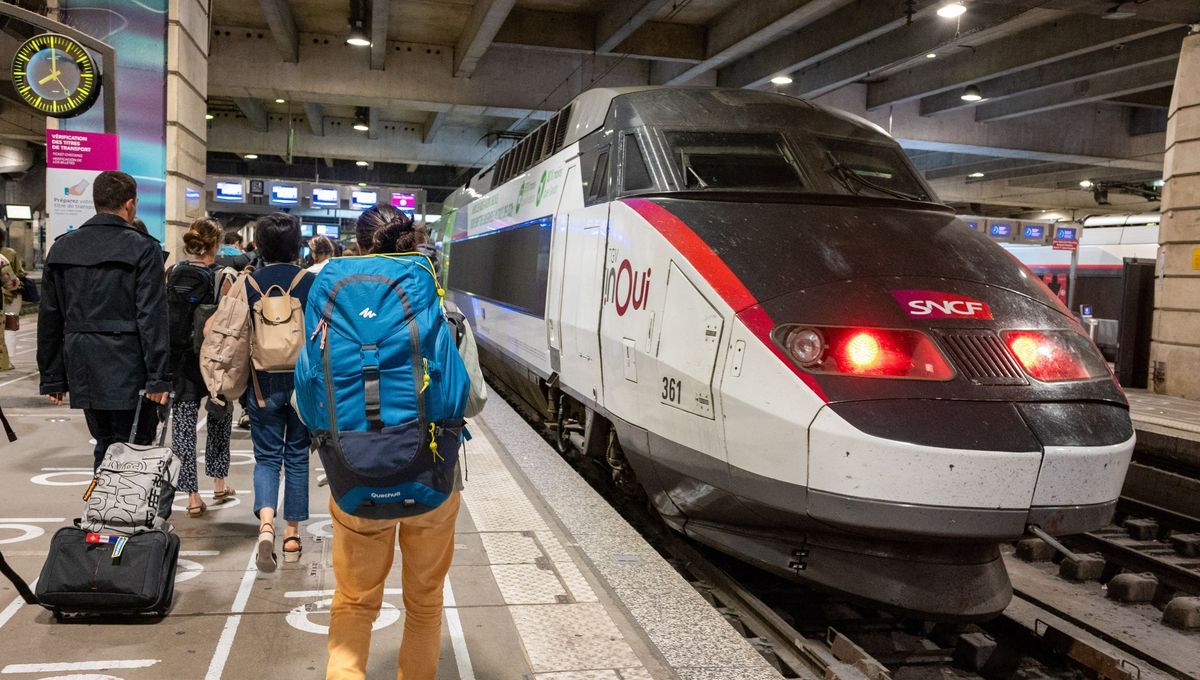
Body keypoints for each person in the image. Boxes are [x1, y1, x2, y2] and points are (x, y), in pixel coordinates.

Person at [324, 205, 487, 680]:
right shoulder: (446, 312)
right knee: (424, 604)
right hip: (432, 479)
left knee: (354, 602)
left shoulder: (334, 310)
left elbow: (305, 399)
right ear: (414, 244)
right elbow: (473, 399)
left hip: (354, 478)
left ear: (357, 249)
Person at [38, 171, 168, 469]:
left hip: (82, 362)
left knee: (104, 442)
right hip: (130, 362)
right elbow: (152, 317)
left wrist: (52, 375)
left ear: (95, 202)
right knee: (135, 447)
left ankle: (100, 512)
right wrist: (158, 377)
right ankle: (124, 515)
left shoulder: (62, 247)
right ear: (130, 204)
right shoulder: (144, 248)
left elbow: (50, 317)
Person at [244, 213, 314, 572]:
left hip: (261, 383)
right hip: (302, 382)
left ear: (258, 246)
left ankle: (266, 525)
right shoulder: (311, 282)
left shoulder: (248, 283)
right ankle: (291, 535)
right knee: (297, 455)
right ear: (298, 245)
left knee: (267, 457)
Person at [166, 217, 235, 517]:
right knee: (219, 419)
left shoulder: (171, 273)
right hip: (214, 361)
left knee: (183, 426)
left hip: (180, 360)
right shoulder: (224, 277)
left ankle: (192, 497)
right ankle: (219, 483)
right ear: (216, 245)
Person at [0, 231, 25, 364]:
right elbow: (15, 279)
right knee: (8, 327)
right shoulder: (7, 255)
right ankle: (6, 361)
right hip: (8, 297)